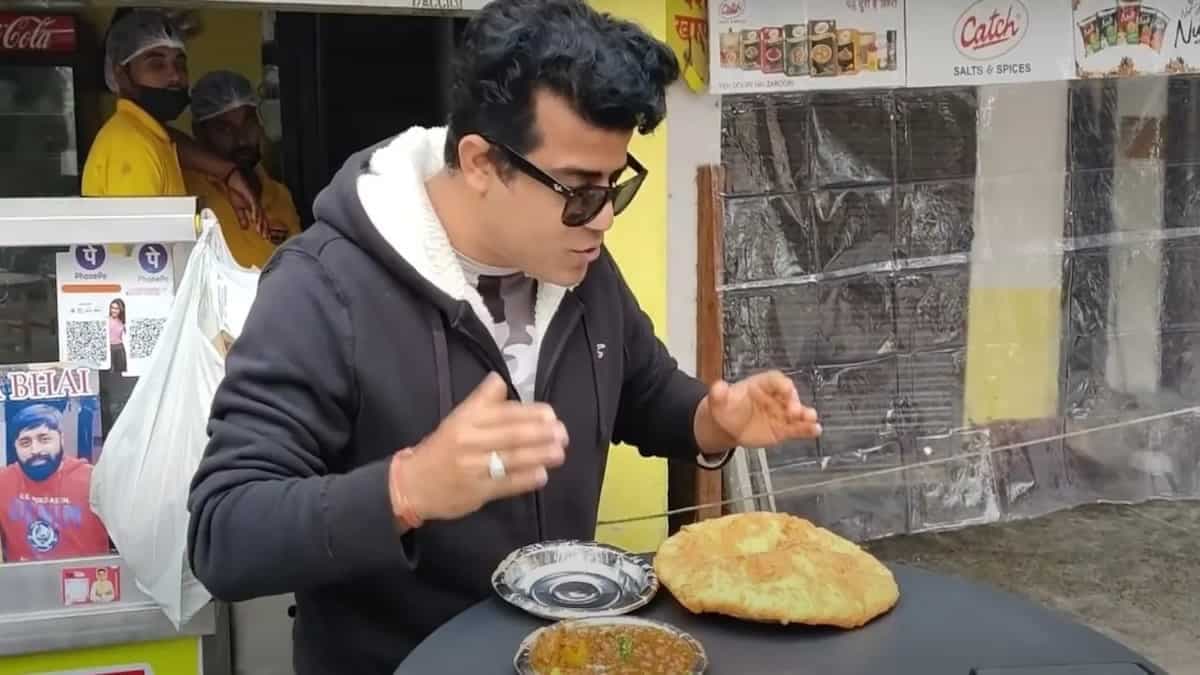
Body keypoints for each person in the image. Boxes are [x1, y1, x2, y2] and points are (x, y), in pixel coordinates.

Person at [186, 1, 822, 672]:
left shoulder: (579, 268)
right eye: (578, 190)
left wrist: (712, 418)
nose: (602, 219)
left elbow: (643, 388)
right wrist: (405, 488)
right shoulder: (323, 290)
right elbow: (224, 532)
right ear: (482, 162)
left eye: (615, 185)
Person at [83, 9, 262, 231]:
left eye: (180, 64)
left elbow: (174, 142)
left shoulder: (148, 134)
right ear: (121, 75)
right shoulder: (132, 146)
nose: (175, 76)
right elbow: (139, 253)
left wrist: (228, 172)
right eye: (157, 65)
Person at [186, 70, 302, 269]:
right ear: (199, 133)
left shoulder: (280, 195)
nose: (241, 139)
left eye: (248, 124)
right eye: (224, 130)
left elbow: (300, 269)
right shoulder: (190, 193)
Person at [0, 404, 110, 563]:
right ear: (15, 447)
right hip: (25, 583)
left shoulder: (94, 480)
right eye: (25, 442)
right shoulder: (3, 481)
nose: (35, 450)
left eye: (44, 439)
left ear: (61, 439)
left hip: (86, 582)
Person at [108, 298, 127, 374]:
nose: (113, 310)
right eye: (112, 308)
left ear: (121, 310)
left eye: (116, 308)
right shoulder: (106, 321)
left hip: (120, 349)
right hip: (109, 349)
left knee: (120, 373)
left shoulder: (123, 322)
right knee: (109, 373)